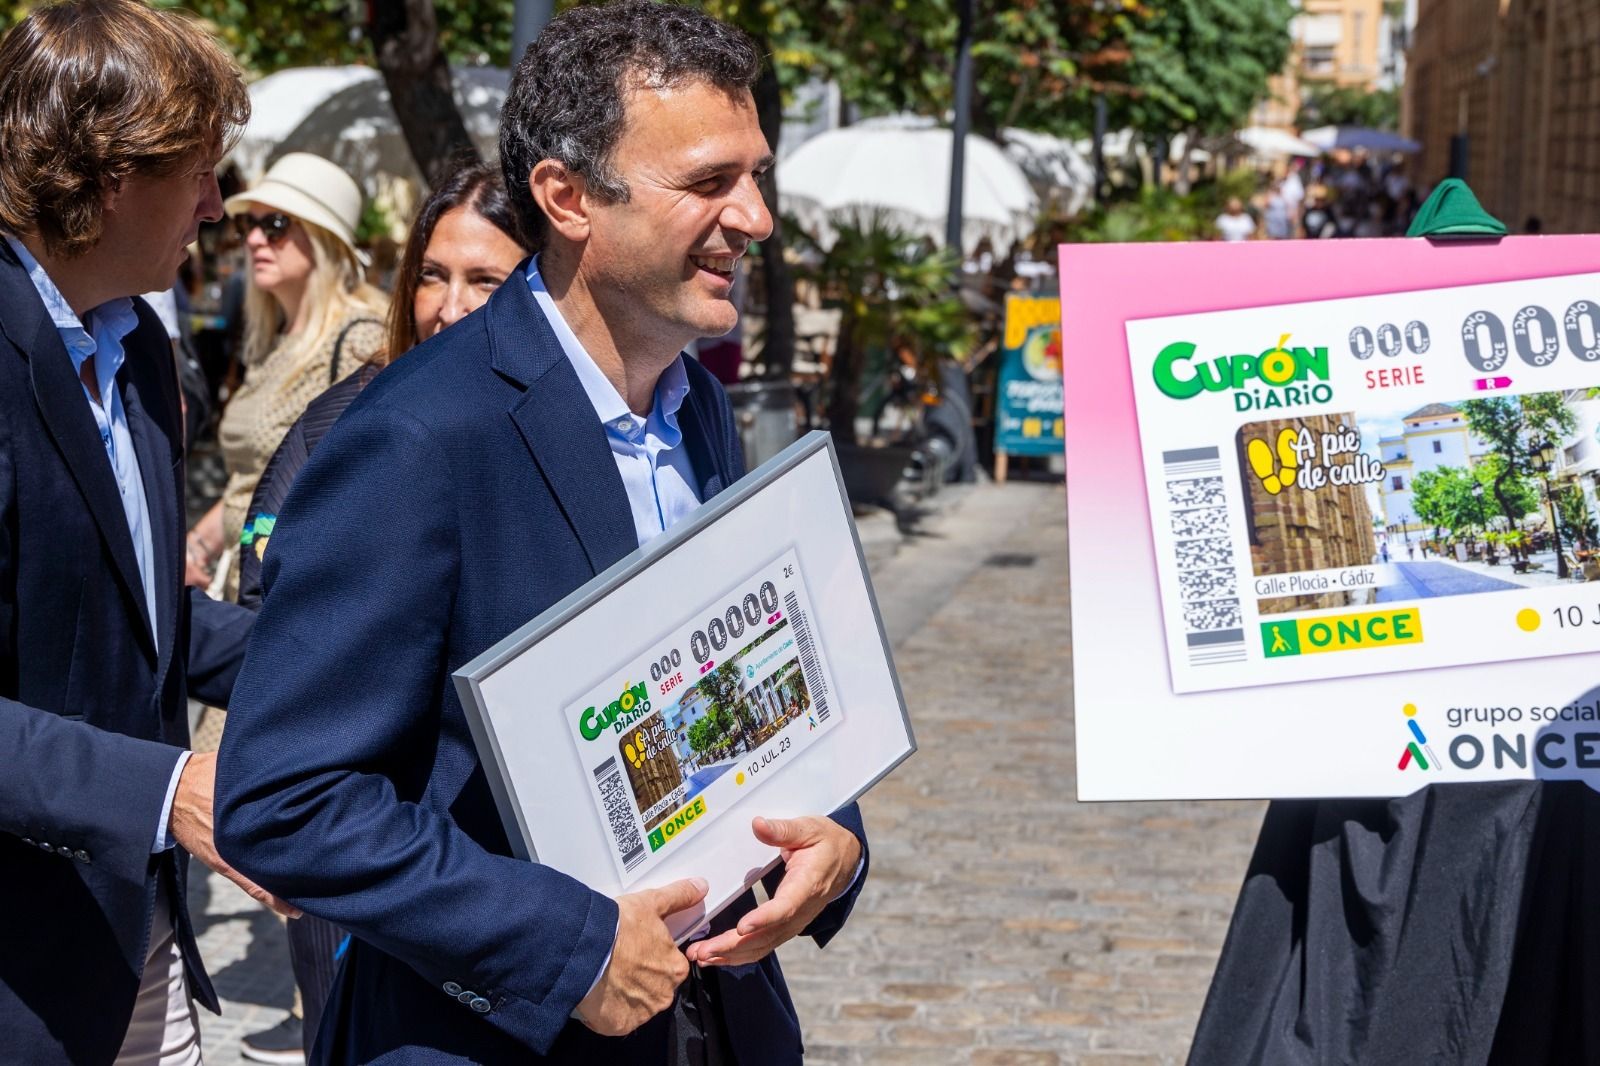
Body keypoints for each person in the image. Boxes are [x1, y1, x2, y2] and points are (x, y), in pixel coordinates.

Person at [215, 3, 868, 1063]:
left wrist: (832, 837)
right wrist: (564, 945)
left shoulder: (695, 403)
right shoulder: (416, 439)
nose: (756, 217)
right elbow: (284, 801)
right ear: (567, 199)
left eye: (756, 176)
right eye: (709, 183)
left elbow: (744, 692)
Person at [0, 3, 295, 1064]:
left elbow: (128, 619)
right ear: (109, 172)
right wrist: (167, 792)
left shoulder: (134, 354)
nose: (219, 207)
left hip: (136, 940)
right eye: (202, 172)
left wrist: (337, 655)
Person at [230, 161, 530, 1064]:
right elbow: (267, 598)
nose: (449, 304)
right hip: (366, 849)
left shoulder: (568, 433)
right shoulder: (349, 423)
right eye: (433, 276)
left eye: (486, 279)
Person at [184, 153, 387, 601]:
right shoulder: (277, 337)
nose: (254, 239)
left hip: (292, 598)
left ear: (322, 238)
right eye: (247, 226)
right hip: (243, 584)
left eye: (274, 225)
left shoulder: (360, 340)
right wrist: (196, 546)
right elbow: (251, 477)